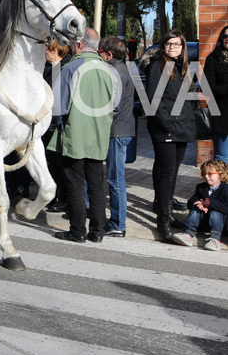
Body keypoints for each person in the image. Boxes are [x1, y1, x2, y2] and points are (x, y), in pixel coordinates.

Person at [50, 28, 116, 243]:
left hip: (74, 137)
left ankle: (77, 231)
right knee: (97, 187)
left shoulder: (70, 68)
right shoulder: (110, 71)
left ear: (79, 45)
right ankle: (97, 232)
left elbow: (57, 108)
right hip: (99, 137)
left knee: (75, 186)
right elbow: (115, 107)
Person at [145, 29, 196, 242]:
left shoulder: (182, 67)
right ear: (163, 46)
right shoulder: (158, 65)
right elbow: (154, 100)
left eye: (176, 44)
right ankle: (163, 220)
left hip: (182, 127)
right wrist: (168, 124)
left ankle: (164, 207)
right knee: (167, 173)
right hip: (166, 128)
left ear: (182, 48)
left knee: (171, 171)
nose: (172, 47)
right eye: (168, 44)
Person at [98, 36, 136, 237]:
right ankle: (117, 221)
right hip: (121, 130)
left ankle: (118, 223)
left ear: (109, 54)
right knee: (115, 177)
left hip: (116, 132)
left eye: (100, 52)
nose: (98, 55)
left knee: (115, 178)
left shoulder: (114, 71)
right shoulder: (121, 68)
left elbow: (112, 105)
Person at [172, 159, 228, 251]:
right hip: (203, 222)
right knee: (195, 210)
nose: (206, 176)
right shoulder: (201, 187)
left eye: (210, 174)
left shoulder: (226, 189)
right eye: (204, 174)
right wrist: (198, 205)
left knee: (215, 212)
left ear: (220, 175)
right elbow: (190, 202)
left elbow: (226, 208)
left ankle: (215, 239)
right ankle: (188, 234)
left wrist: (207, 203)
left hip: (219, 223)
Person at [43, 41, 71, 213]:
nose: (44, 52)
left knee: (60, 162)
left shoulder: (66, 67)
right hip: (46, 121)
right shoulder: (46, 68)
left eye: (46, 49)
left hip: (60, 122)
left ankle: (63, 197)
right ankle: (52, 195)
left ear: (54, 51)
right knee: (50, 161)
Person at [204, 24, 228, 163]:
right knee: (223, 158)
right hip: (222, 116)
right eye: (225, 36)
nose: (227, 39)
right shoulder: (213, 59)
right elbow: (207, 87)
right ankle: (223, 185)